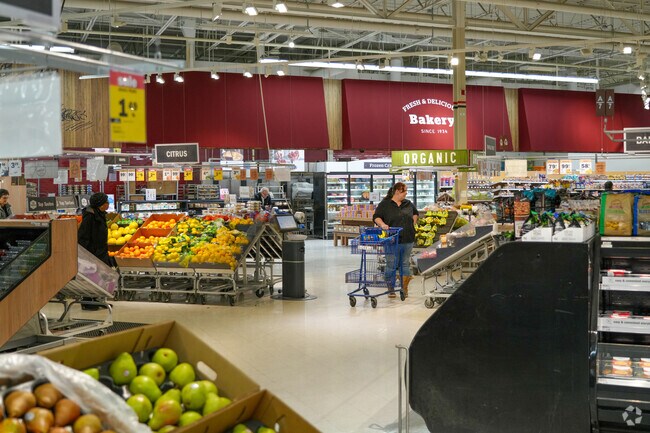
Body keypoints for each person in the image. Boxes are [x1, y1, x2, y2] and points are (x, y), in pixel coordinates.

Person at [372, 182, 418, 298]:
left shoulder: (408, 203)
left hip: (408, 238)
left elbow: (415, 213)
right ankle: (391, 288)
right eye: (405, 191)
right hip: (391, 239)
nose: (406, 193)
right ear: (397, 191)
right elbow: (376, 217)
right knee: (391, 264)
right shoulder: (385, 204)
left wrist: (413, 222)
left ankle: (404, 289)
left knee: (405, 264)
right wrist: (382, 224)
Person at [78, 192, 111, 310]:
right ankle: (87, 302)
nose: (108, 204)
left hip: (100, 251)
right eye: (106, 202)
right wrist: (87, 255)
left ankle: (97, 299)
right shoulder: (90, 216)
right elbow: (83, 236)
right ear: (100, 204)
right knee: (90, 277)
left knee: (99, 277)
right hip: (92, 253)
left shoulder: (100, 214)